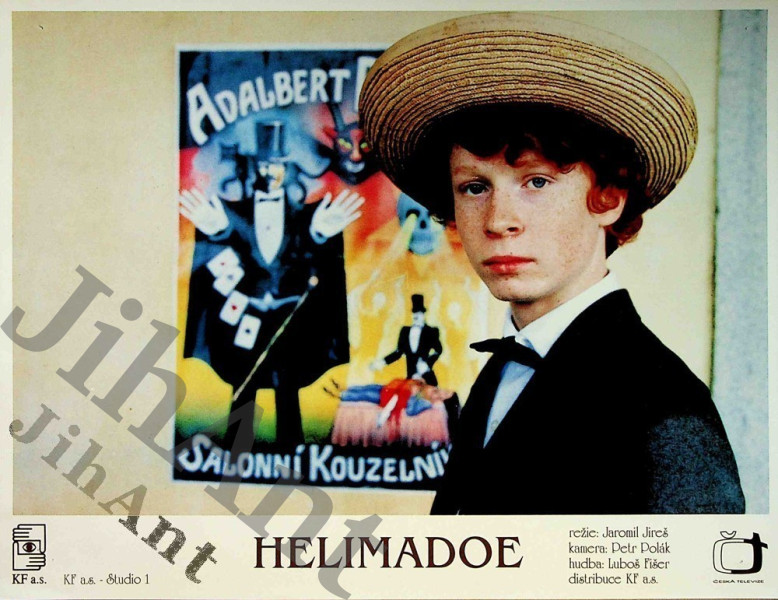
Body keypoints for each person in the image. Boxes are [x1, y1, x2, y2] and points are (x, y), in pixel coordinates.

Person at [359, 13, 745, 514]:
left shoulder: (664, 410)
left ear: (608, 197)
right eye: (474, 187)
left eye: (536, 182)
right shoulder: (503, 369)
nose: (498, 220)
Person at [180, 120, 363, 451]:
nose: (269, 172)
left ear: (286, 169)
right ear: (254, 168)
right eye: (263, 165)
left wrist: (320, 234)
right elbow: (228, 253)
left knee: (287, 386)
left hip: (286, 317)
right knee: (245, 384)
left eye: (275, 166)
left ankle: (291, 450)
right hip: (246, 316)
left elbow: (307, 259)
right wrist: (217, 232)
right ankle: (237, 451)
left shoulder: (305, 217)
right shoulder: (232, 214)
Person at [370, 294, 443, 385]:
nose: (416, 315)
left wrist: (426, 364)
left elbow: (438, 350)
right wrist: (381, 362)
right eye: (414, 313)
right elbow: (398, 352)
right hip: (411, 377)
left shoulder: (431, 331)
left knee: (432, 391)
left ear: (423, 314)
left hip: (426, 376)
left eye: (419, 313)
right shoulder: (405, 331)